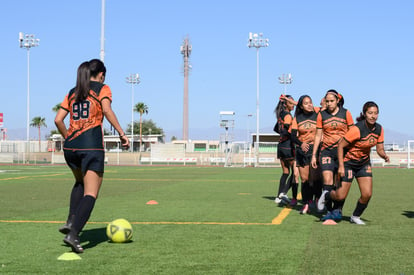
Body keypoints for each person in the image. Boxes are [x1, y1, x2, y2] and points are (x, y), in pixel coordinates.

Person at [54, 59, 130, 253]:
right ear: (102, 74)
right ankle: (74, 234)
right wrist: (121, 134)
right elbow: (106, 110)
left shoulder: (73, 91)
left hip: (70, 148)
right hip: (91, 147)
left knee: (80, 183)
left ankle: (71, 220)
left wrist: (69, 138)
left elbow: (58, 120)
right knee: (91, 193)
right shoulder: (102, 88)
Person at [318, 101, 389, 224]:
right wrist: (340, 166)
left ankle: (355, 216)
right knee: (340, 196)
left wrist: (384, 156)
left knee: (367, 194)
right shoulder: (357, 129)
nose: (373, 116)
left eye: (376, 113)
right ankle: (327, 195)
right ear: (364, 114)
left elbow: (379, 148)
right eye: (370, 113)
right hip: (349, 163)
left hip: (364, 164)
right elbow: (340, 146)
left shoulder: (379, 129)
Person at [311, 89, 354, 221]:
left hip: (343, 153)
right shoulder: (321, 115)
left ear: (337, 101)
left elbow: (352, 133)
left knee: (339, 184)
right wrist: (314, 154)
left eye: (331, 101)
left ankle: (337, 209)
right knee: (327, 180)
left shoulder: (346, 113)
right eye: (327, 101)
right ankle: (328, 210)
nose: (329, 103)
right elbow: (318, 135)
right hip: (327, 151)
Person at [291, 95, 323, 214]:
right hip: (303, 151)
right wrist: (301, 143)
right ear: (301, 106)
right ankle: (306, 203)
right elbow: (293, 136)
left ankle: (318, 200)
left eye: (310, 102)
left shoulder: (318, 114)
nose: (309, 105)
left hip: (316, 149)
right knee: (305, 179)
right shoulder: (297, 118)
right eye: (306, 103)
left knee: (315, 178)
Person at [274, 95, 297, 205]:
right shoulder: (288, 115)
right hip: (288, 146)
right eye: (291, 103)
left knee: (285, 172)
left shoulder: (280, 115)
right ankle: (284, 193)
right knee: (295, 173)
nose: (293, 105)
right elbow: (287, 131)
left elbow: (276, 129)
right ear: (285, 104)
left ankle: (278, 196)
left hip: (281, 145)